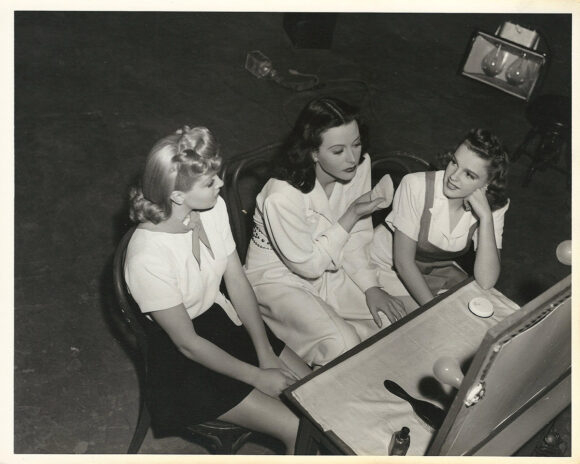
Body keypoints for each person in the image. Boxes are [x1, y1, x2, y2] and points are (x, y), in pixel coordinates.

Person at [124, 126, 310, 454]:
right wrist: (257, 376)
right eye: (210, 182)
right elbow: (188, 344)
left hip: (221, 321)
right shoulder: (146, 257)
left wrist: (264, 350)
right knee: (299, 427)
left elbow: (237, 281)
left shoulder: (212, 208)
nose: (221, 185)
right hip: (184, 360)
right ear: (177, 196)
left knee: (319, 392)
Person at [244, 97, 407, 367]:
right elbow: (308, 267)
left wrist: (370, 286)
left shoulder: (359, 166)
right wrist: (352, 213)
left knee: (395, 323)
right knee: (343, 345)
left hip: (331, 268)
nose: (352, 158)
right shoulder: (281, 196)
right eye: (338, 150)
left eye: (356, 144)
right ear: (313, 153)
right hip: (278, 280)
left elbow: (358, 236)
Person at [371, 128, 510, 310]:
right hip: (387, 267)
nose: (453, 176)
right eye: (454, 162)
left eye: (469, 174)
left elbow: (486, 280)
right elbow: (403, 263)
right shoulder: (415, 185)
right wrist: (433, 311)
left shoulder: (494, 206)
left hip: (436, 271)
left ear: (486, 184)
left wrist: (485, 218)